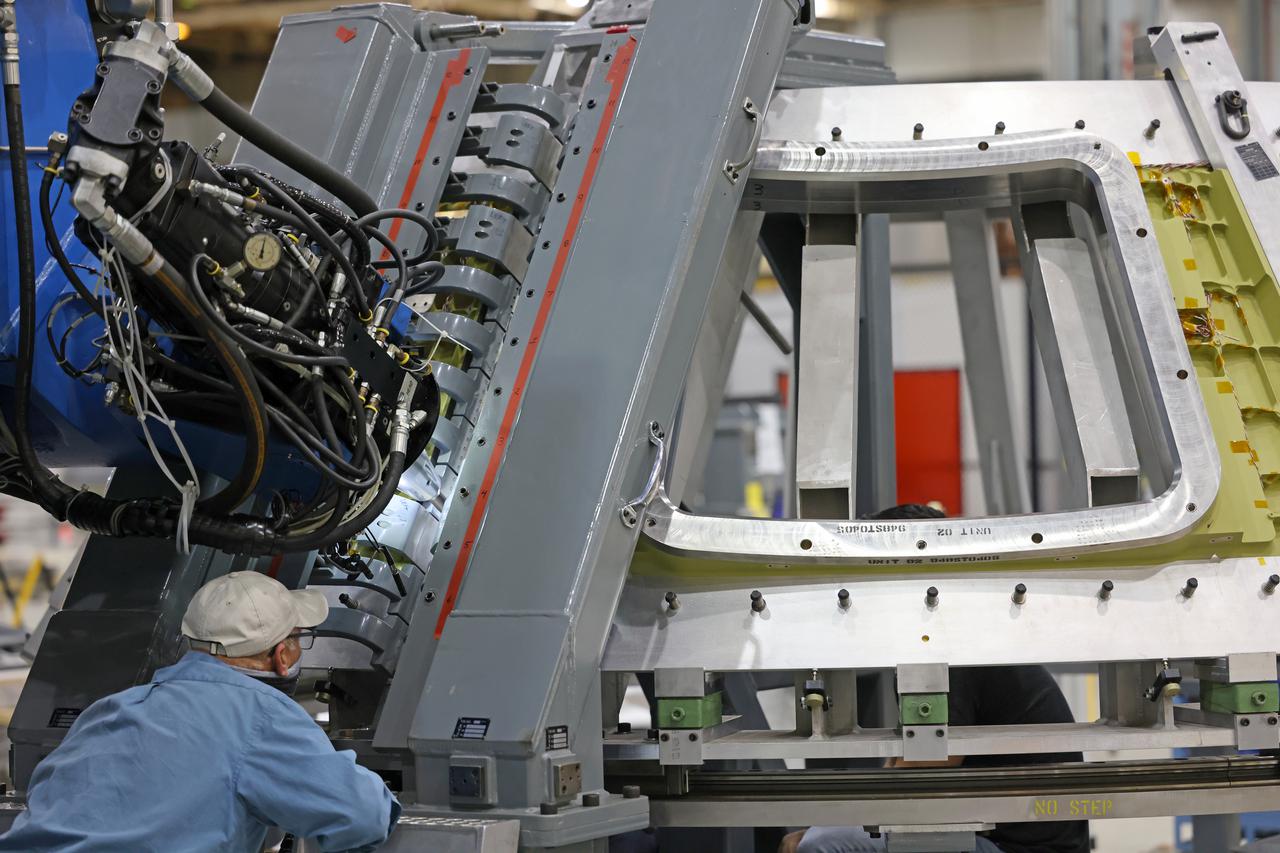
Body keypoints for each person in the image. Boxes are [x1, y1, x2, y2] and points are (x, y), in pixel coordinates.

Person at [1, 571, 400, 852]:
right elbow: (363, 817)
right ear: (282, 655)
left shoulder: (110, 708)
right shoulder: (263, 718)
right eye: (298, 639)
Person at [781, 504, 1089, 853]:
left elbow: (929, 765)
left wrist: (838, 821)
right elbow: (910, 758)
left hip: (1016, 848)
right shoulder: (934, 636)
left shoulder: (952, 642)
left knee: (817, 847)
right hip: (993, 834)